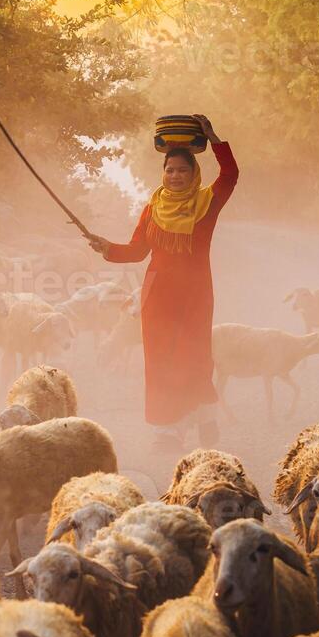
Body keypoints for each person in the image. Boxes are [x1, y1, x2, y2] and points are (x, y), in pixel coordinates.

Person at [86, 113, 238, 449]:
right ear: (163, 173)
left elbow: (230, 175)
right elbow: (137, 251)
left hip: (195, 292)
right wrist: (106, 248)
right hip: (156, 295)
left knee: (193, 356)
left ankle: (203, 418)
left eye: (183, 170)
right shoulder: (152, 208)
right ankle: (168, 430)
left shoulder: (206, 204)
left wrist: (213, 136)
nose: (176, 176)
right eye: (170, 170)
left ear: (193, 173)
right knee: (159, 360)